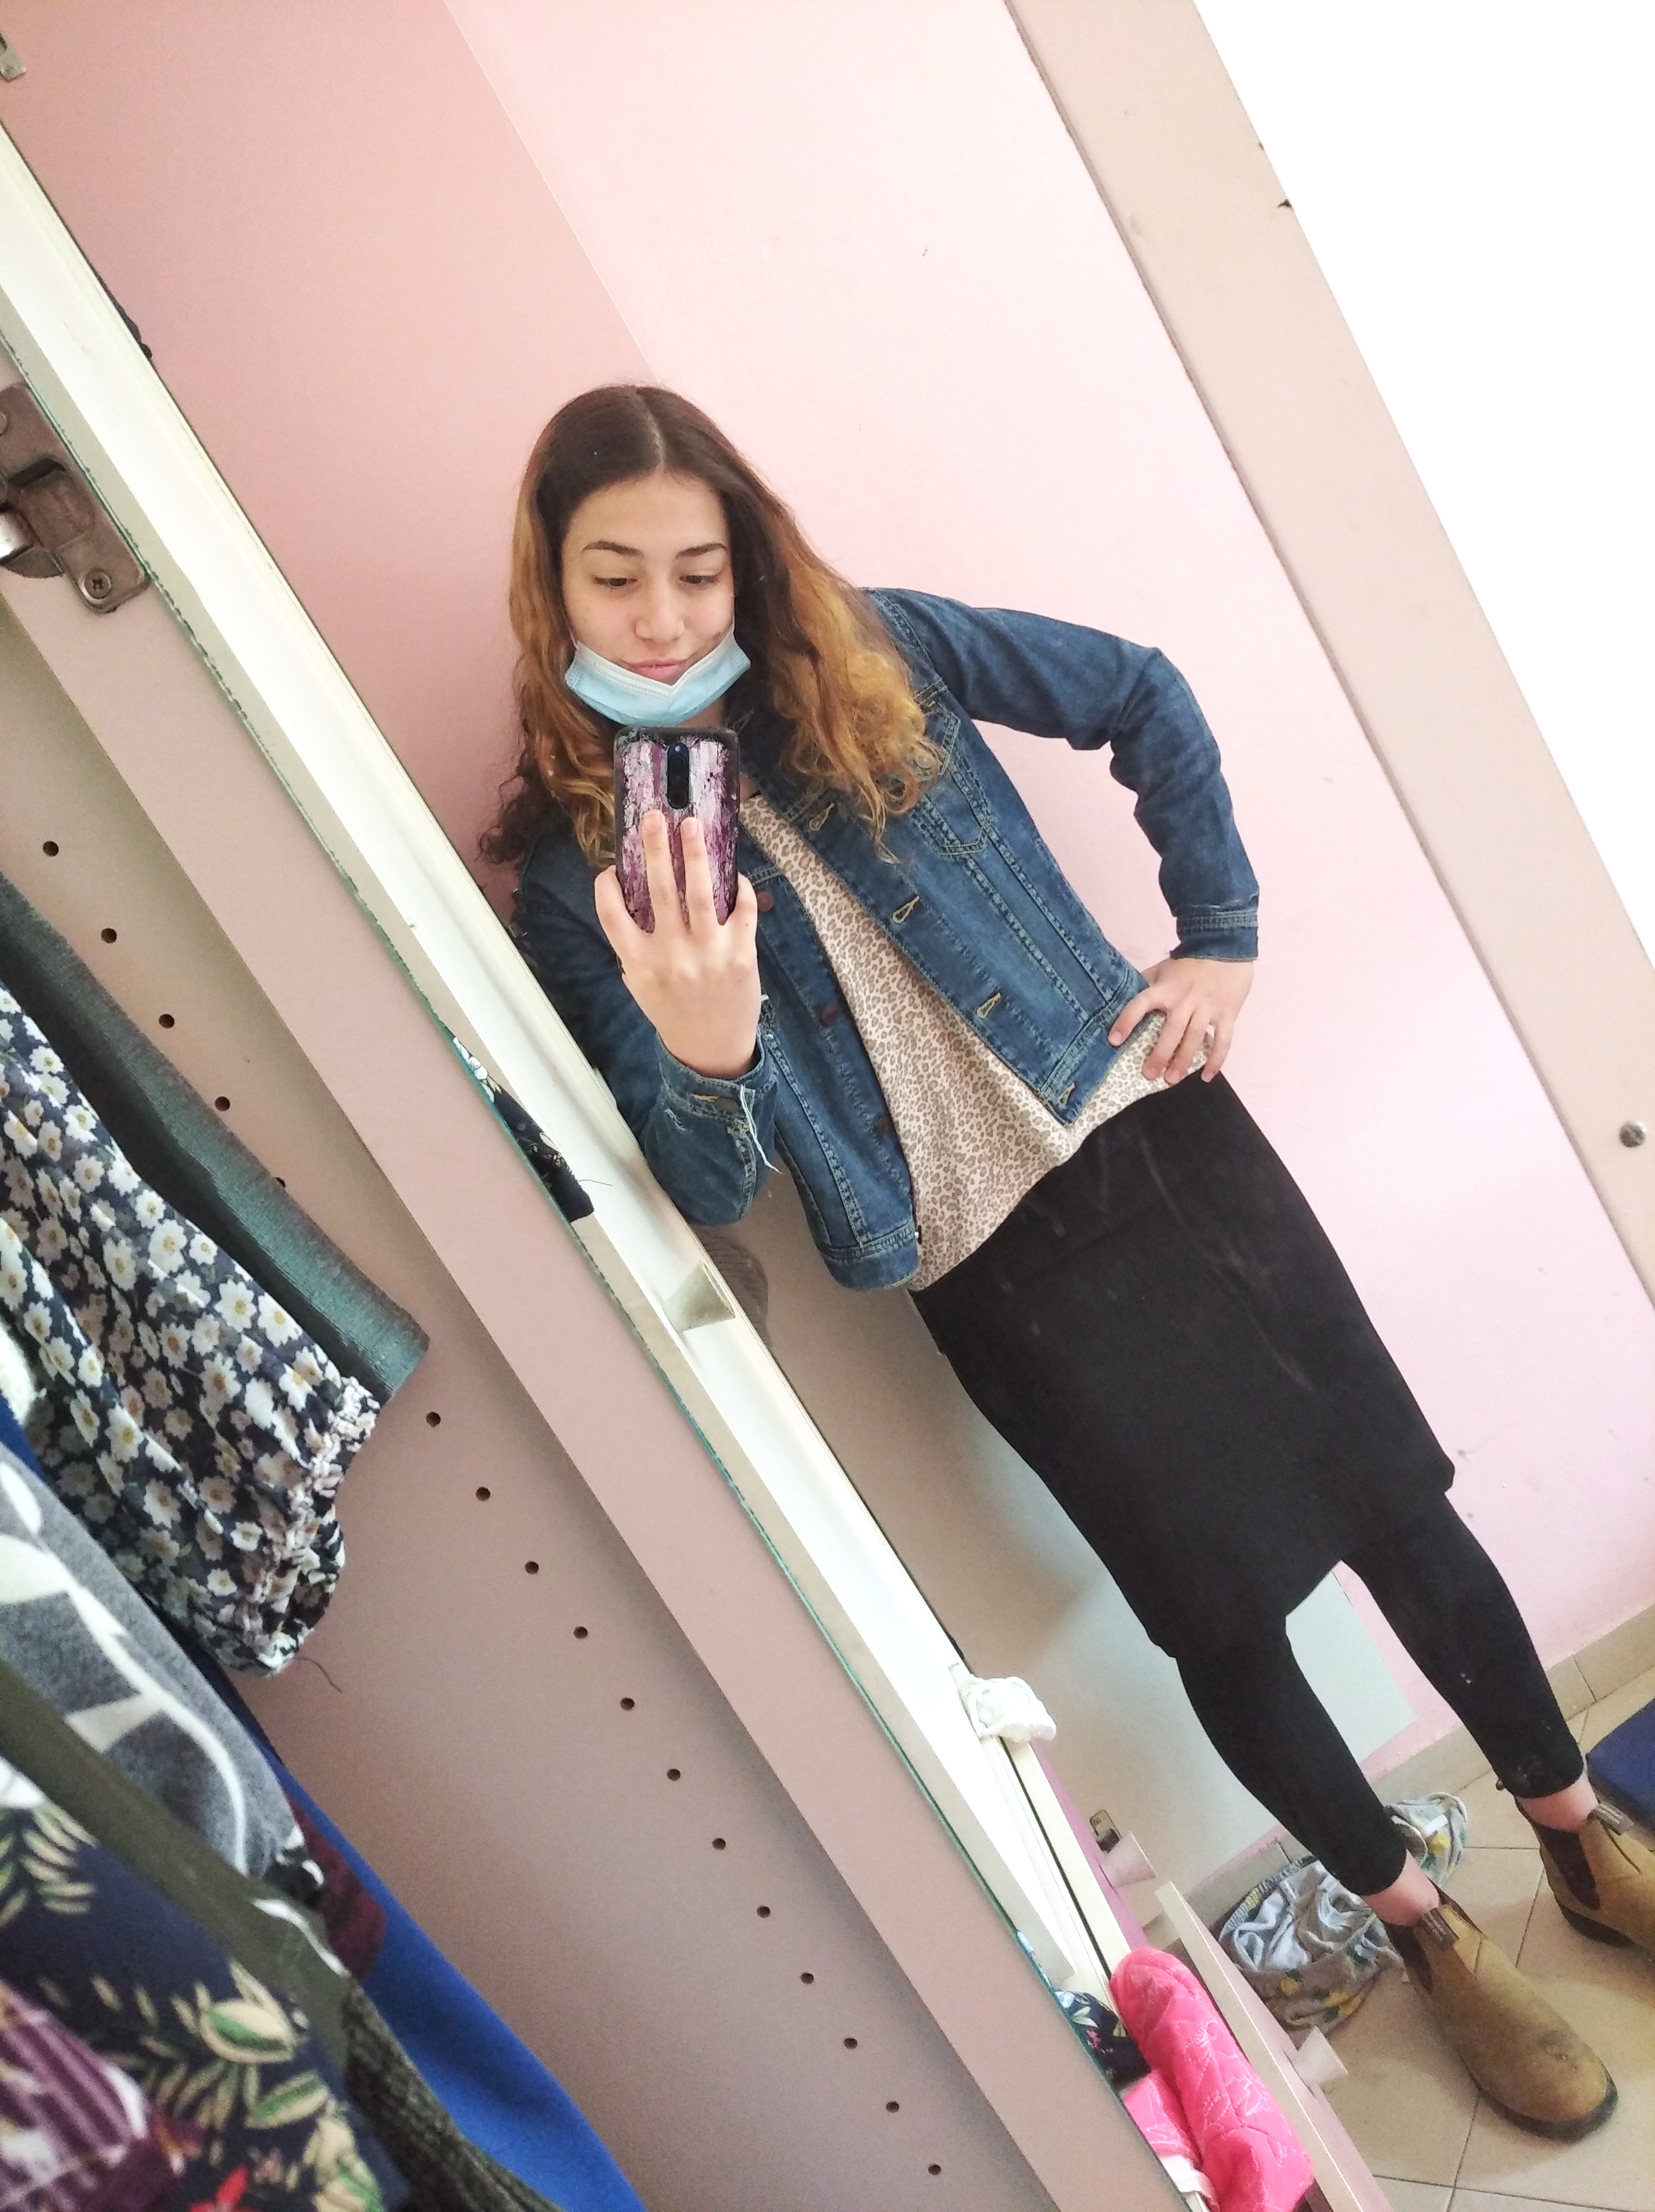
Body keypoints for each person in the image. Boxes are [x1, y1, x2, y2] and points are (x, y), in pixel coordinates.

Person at [489, 384, 1655, 2140]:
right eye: (615, 576)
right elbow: (703, 1185)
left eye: (697, 571)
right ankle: (1428, 1936)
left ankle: (1577, 1839)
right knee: (1220, 1608)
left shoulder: (874, 652)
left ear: (747, 564)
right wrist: (710, 1053)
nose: (662, 617)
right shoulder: (574, 881)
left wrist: (1222, 938)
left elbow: (1143, 693)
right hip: (989, 1266)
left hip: (1158, 1136)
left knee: (1394, 1500)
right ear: (553, 585)